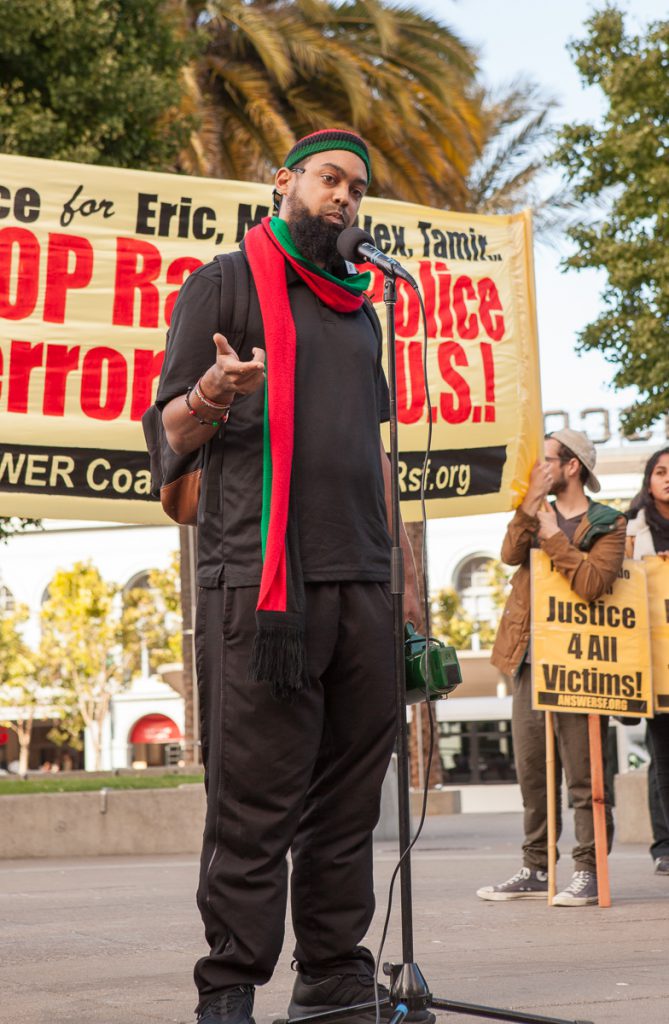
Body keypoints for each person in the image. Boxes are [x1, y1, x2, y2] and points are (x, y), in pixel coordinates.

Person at [156, 129, 425, 1024]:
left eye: (357, 187)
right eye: (329, 181)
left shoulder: (363, 311)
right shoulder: (222, 284)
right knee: (254, 804)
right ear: (284, 184)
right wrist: (213, 394)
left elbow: (375, 456)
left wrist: (404, 588)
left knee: (348, 805)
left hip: (363, 582)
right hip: (262, 587)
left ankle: (334, 976)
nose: (345, 198)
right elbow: (167, 436)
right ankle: (229, 988)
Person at [477, 429, 626, 907]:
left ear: (572, 467)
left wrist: (554, 538)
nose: (540, 469)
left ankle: (588, 869)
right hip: (527, 658)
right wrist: (532, 510)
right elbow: (507, 556)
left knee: (584, 775)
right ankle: (537, 866)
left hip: (580, 663)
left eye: (547, 462)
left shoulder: (609, 522)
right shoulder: (536, 511)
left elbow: (592, 583)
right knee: (533, 773)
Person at [625, 446, 669, 876]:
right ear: (649, 480)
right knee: (663, 754)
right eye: (661, 471)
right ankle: (664, 845)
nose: (668, 478)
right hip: (656, 661)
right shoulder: (633, 530)